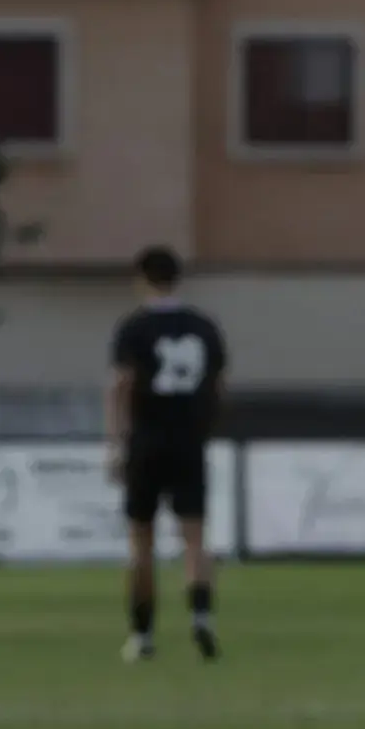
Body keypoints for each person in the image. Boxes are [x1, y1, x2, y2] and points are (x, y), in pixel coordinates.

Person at [105, 245, 228, 663]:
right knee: (194, 538)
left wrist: (116, 444)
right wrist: (205, 426)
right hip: (188, 440)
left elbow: (121, 386)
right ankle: (200, 616)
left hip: (146, 441)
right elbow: (219, 384)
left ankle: (141, 635)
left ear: (142, 278)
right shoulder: (203, 326)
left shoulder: (134, 328)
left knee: (141, 542)